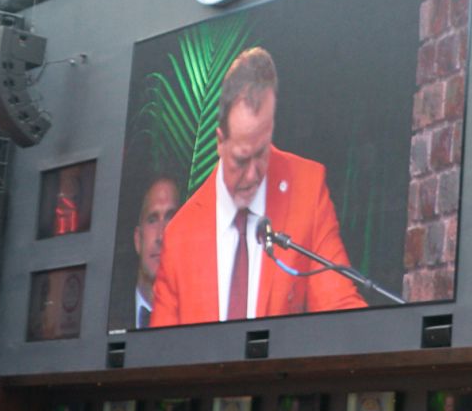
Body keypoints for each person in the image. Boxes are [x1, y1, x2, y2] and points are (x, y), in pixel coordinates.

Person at [147, 47, 367, 325]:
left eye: (262, 153)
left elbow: (342, 310)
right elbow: (160, 352)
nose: (252, 175)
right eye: (241, 159)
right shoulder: (180, 235)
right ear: (219, 142)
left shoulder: (307, 190)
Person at [129, 177, 182, 330]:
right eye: (152, 220)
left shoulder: (203, 314)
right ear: (138, 240)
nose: (161, 236)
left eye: (170, 218)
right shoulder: (106, 313)